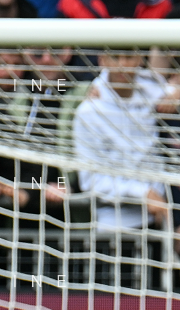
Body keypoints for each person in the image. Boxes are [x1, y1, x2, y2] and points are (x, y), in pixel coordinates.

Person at [72, 53, 169, 231]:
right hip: (113, 224)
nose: (123, 64)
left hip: (160, 218)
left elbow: (177, 87)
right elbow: (90, 181)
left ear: (140, 59)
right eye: (115, 57)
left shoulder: (154, 92)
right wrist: (143, 193)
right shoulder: (88, 112)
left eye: (129, 57)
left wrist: (178, 90)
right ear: (103, 60)